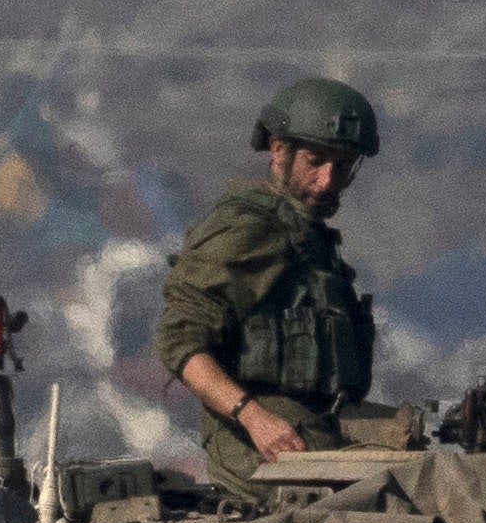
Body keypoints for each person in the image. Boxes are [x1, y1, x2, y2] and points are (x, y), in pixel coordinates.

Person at [156, 77, 382, 492]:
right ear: (279, 150)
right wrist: (253, 417)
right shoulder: (249, 228)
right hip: (263, 448)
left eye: (344, 166)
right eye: (315, 161)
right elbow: (180, 343)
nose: (329, 180)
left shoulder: (310, 242)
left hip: (319, 429)